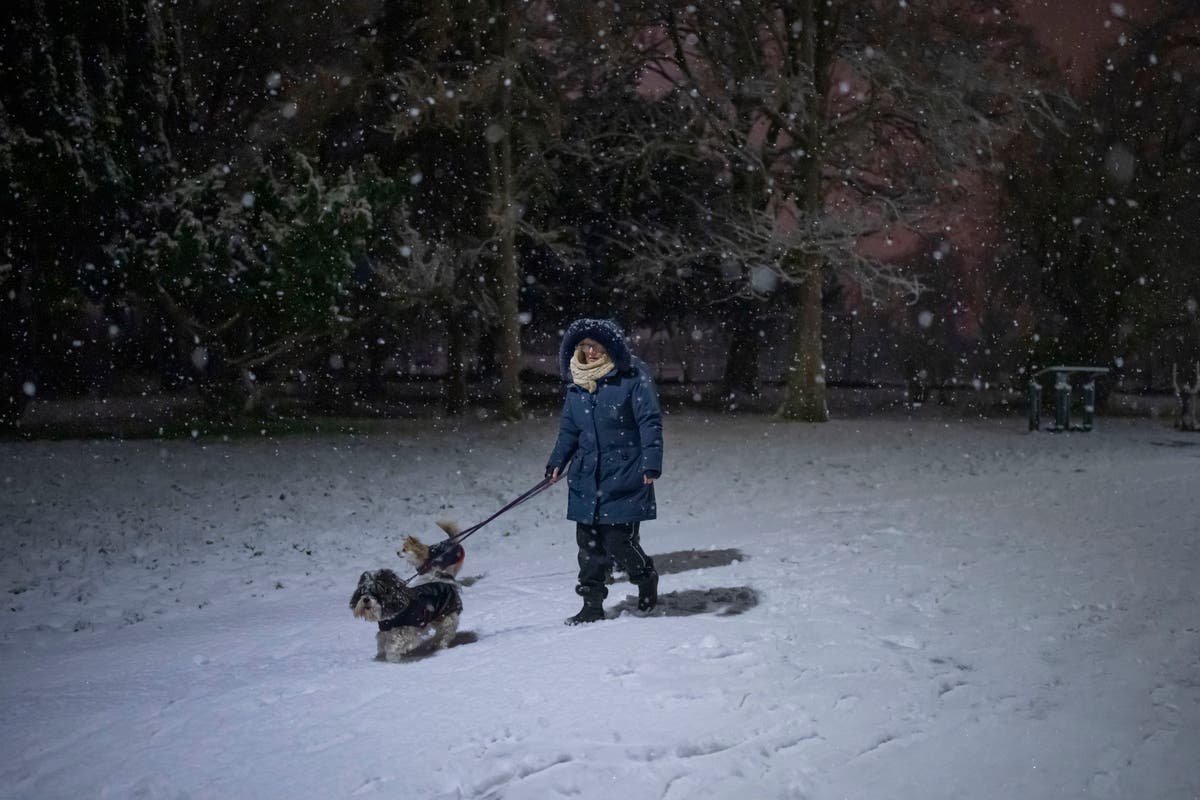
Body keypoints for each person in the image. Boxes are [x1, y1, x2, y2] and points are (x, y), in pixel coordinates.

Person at [545, 318, 663, 625]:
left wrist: (651, 462)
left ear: (610, 347)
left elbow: (649, 420)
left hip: (624, 471)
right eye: (585, 346)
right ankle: (591, 605)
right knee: (589, 547)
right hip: (586, 475)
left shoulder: (632, 377)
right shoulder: (576, 382)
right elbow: (570, 429)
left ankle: (645, 576)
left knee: (617, 541)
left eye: (596, 346)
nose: (591, 352)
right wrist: (557, 461)